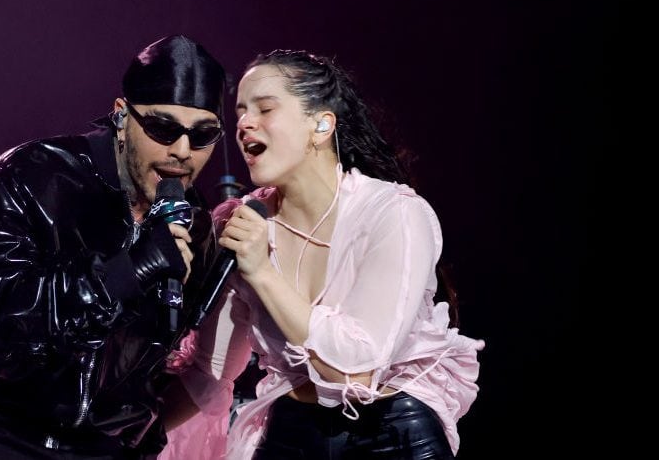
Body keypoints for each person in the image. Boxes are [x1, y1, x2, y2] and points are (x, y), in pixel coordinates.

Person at [0, 35, 228, 459]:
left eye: (203, 134)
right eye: (162, 128)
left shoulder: (195, 224)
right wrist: (125, 273)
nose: (182, 151)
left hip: (102, 448)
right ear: (121, 116)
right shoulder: (32, 177)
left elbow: (156, 366)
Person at [160, 50, 485, 459]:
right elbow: (212, 370)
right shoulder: (240, 224)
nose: (244, 124)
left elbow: (356, 368)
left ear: (321, 123)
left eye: (265, 108)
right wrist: (125, 439)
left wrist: (261, 271)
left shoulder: (394, 214)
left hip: (391, 434)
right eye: (240, 112)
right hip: (290, 436)